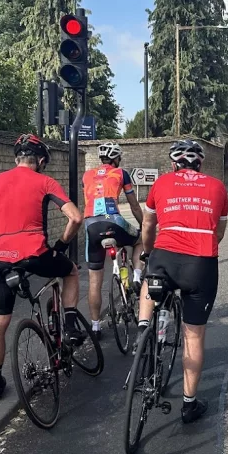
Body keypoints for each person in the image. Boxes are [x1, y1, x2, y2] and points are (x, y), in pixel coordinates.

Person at [0, 134, 83, 402]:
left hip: (4, 259)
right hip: (37, 254)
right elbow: (75, 217)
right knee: (70, 271)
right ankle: (70, 326)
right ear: (40, 161)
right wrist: (61, 244)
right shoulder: (45, 181)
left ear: (17, 159)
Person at [138, 139, 228, 424]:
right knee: (193, 335)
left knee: (149, 275)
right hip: (200, 263)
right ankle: (189, 405)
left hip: (165, 257)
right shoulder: (217, 187)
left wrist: (147, 252)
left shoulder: (161, 184)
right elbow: (219, 232)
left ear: (173, 165)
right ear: (200, 164)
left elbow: (148, 225)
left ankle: (143, 328)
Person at [82, 141, 144, 337]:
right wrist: (144, 226)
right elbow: (134, 206)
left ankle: (95, 326)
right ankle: (136, 278)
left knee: (94, 281)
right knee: (139, 239)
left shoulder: (86, 175)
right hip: (113, 221)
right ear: (116, 159)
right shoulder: (121, 173)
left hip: (91, 225)